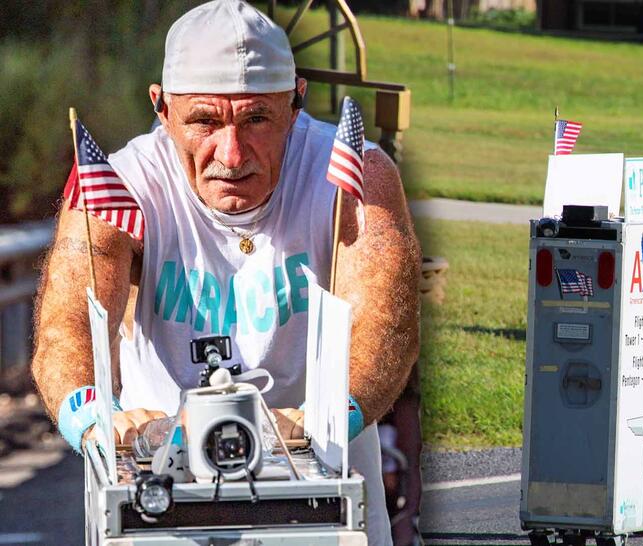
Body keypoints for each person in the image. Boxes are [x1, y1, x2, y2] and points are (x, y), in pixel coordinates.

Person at [30, 1, 421, 544]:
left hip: (322, 485)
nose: (231, 154)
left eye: (257, 118)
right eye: (204, 122)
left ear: (295, 102)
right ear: (162, 108)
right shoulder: (119, 184)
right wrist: (94, 421)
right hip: (161, 485)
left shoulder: (354, 171)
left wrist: (327, 419)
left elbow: (385, 328)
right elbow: (66, 325)